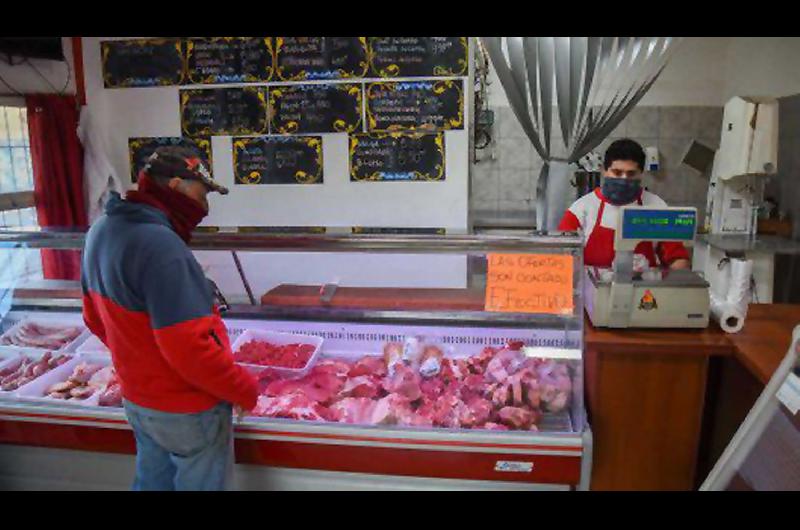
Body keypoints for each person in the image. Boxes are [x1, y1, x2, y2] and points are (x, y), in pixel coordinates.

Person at [81, 146, 259, 491]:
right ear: (176, 184)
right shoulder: (162, 246)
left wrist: (141, 366)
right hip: (188, 408)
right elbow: (188, 348)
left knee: (152, 484)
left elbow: (93, 318)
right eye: (201, 192)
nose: (205, 206)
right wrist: (243, 388)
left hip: (140, 401)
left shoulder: (101, 230)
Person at [558, 138, 691, 270]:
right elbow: (560, 257)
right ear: (604, 170)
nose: (624, 179)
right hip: (593, 289)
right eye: (617, 172)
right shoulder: (580, 209)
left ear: (641, 174)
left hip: (643, 290)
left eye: (631, 173)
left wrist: (670, 282)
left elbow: (678, 259)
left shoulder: (657, 207)